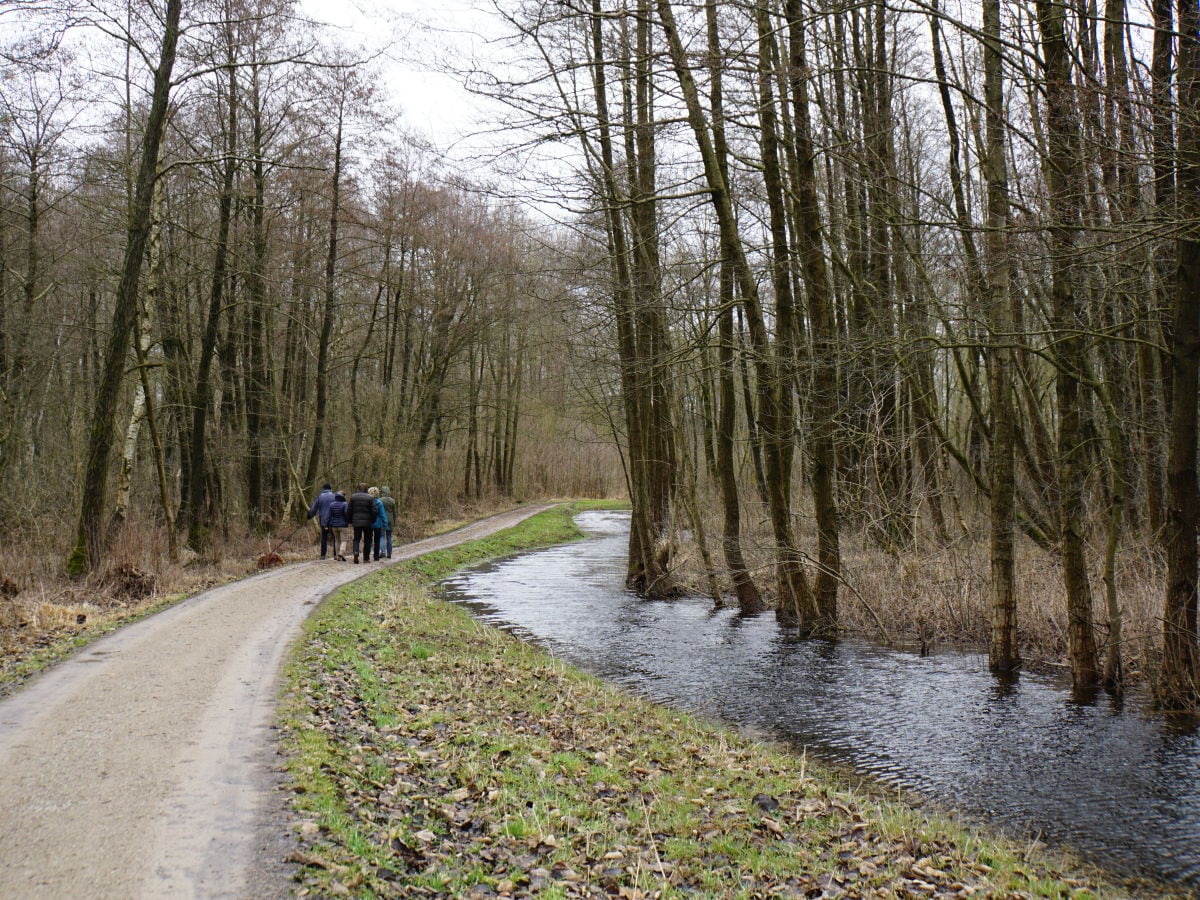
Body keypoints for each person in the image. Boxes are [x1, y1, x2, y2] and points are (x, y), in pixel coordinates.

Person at [306, 482, 336, 560]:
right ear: (330, 489)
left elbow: (314, 508)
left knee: (324, 538)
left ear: (323, 489)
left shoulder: (320, 497)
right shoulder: (334, 496)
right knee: (335, 537)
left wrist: (309, 515)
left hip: (323, 520)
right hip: (334, 520)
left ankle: (323, 555)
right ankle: (336, 555)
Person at [348, 483, 376, 564]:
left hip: (356, 521)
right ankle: (366, 558)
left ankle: (356, 552)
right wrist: (373, 520)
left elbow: (349, 510)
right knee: (368, 539)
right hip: (368, 522)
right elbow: (374, 511)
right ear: (366, 489)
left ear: (358, 488)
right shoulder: (370, 498)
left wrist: (349, 520)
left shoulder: (353, 497)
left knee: (356, 538)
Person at [368, 486, 389, 562]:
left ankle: (366, 555)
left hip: (369, 523)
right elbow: (382, 514)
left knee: (368, 540)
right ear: (377, 493)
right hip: (377, 524)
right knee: (377, 540)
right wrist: (385, 524)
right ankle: (376, 557)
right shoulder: (379, 503)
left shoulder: (367, 502)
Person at [327, 490, 349, 561]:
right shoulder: (345, 504)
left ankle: (337, 556)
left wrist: (327, 524)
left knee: (337, 540)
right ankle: (341, 553)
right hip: (343, 525)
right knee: (344, 540)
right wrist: (347, 520)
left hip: (334, 525)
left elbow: (329, 515)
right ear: (343, 496)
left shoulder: (331, 504)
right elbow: (346, 514)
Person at [379, 486, 397, 558]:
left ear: (382, 492)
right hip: (390, 520)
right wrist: (394, 521)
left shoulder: (380, 500)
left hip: (382, 519)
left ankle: (383, 552)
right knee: (389, 536)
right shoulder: (392, 500)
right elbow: (394, 513)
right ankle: (389, 553)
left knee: (382, 536)